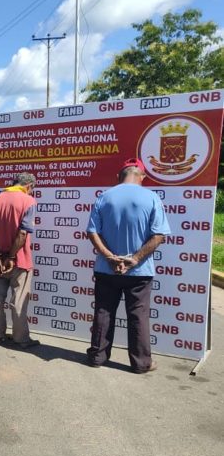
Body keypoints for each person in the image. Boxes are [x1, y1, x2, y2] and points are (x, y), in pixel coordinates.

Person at [86, 157, 171, 373]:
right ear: (142, 176)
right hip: (139, 271)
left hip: (107, 269)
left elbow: (92, 232)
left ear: (119, 176)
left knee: (103, 312)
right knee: (138, 316)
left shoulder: (104, 197)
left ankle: (97, 357)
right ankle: (141, 363)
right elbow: (159, 235)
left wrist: (110, 257)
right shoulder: (152, 197)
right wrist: (134, 259)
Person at [0, 173, 39, 348]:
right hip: (20, 260)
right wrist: (12, 256)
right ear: (28, 186)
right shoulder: (28, 201)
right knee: (19, 300)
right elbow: (23, 233)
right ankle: (20, 338)